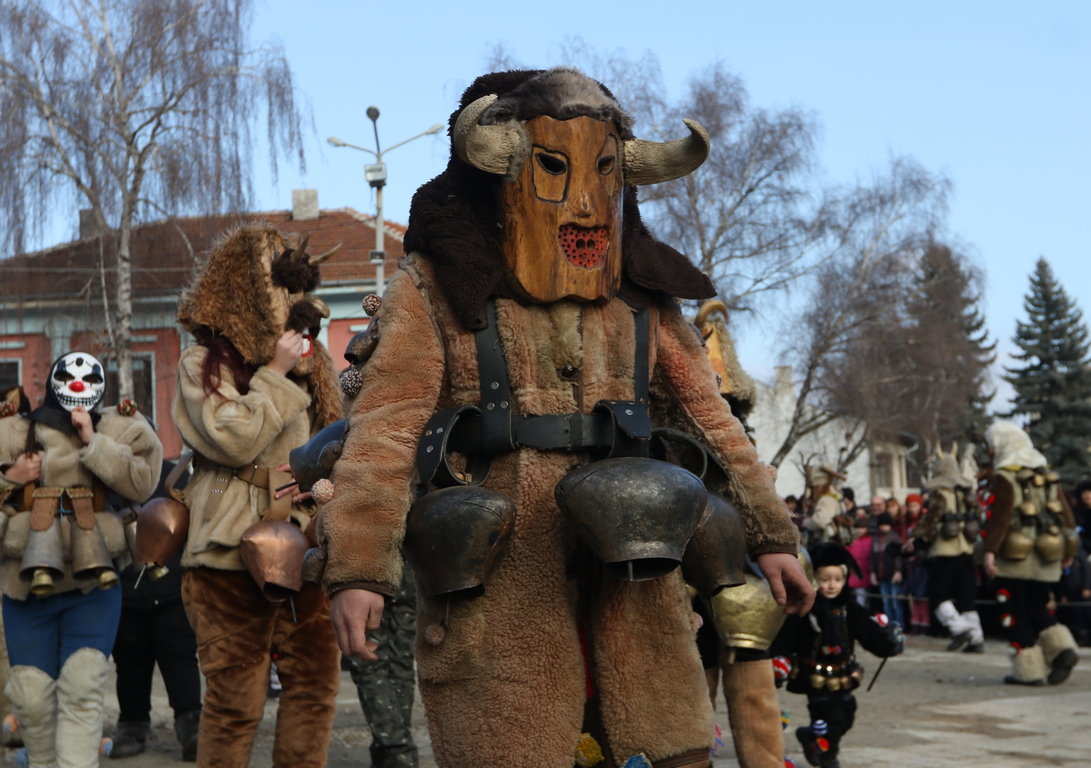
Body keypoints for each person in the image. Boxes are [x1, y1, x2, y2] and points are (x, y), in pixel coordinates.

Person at [319, 67, 813, 768]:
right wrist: (360, 572)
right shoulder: (432, 288)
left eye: (605, 172)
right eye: (553, 169)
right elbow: (385, 434)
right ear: (505, 174)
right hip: (496, 608)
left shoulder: (643, 299)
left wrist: (771, 535)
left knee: (667, 753)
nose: (584, 203)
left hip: (638, 605)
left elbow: (711, 423)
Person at [173, 224, 343, 767]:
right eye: (278, 288)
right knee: (233, 705)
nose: (291, 303)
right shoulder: (201, 364)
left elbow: (335, 441)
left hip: (305, 549)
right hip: (227, 554)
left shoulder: (313, 365)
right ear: (243, 291)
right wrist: (273, 372)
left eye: (296, 289)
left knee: (315, 692)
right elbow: (231, 437)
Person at [0, 353, 162, 768]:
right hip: (24, 591)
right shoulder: (12, 432)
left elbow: (144, 484)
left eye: (87, 377)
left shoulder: (123, 427)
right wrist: (10, 479)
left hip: (93, 587)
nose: (76, 385)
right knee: (31, 698)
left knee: (83, 685)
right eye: (68, 377)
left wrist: (95, 442)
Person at [773, 543, 904, 768]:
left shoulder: (850, 608)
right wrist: (780, 659)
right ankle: (828, 756)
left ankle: (809, 738)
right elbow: (787, 635)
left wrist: (888, 644)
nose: (832, 585)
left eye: (837, 579)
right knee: (829, 720)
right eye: (825, 579)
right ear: (813, 578)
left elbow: (867, 631)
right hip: (814, 676)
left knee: (847, 717)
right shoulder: (805, 607)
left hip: (844, 673)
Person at [109, 459, 201, 761]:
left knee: (180, 659)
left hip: (172, 588)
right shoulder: (109, 473)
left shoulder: (173, 474)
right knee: (131, 664)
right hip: (125, 593)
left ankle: (192, 726)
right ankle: (132, 726)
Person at [982, 420, 1080, 685]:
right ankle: (1063, 651)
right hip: (1047, 553)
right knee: (1037, 605)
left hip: (1014, 555)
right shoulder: (1046, 473)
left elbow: (999, 518)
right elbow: (1065, 514)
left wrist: (989, 552)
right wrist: (1068, 549)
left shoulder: (1005, 476)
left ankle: (1029, 671)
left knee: (1013, 610)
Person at [342, 556, 419, 768]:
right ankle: (389, 755)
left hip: (371, 560)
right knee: (399, 663)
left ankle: (399, 754)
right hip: (412, 560)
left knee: (368, 662)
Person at [912, 445, 984, 651]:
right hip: (967, 549)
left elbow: (930, 520)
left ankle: (959, 629)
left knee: (937, 593)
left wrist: (916, 541)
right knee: (966, 596)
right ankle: (977, 639)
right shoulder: (967, 491)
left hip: (945, 550)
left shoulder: (940, 492)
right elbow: (979, 514)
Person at [869, 513, 903, 627]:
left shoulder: (895, 537)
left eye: (887, 525)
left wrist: (898, 571)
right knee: (886, 603)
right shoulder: (876, 538)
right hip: (881, 575)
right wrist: (873, 572)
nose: (884, 527)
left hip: (893, 574)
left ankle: (899, 626)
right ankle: (889, 626)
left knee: (895, 602)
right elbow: (873, 557)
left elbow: (899, 556)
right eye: (882, 525)